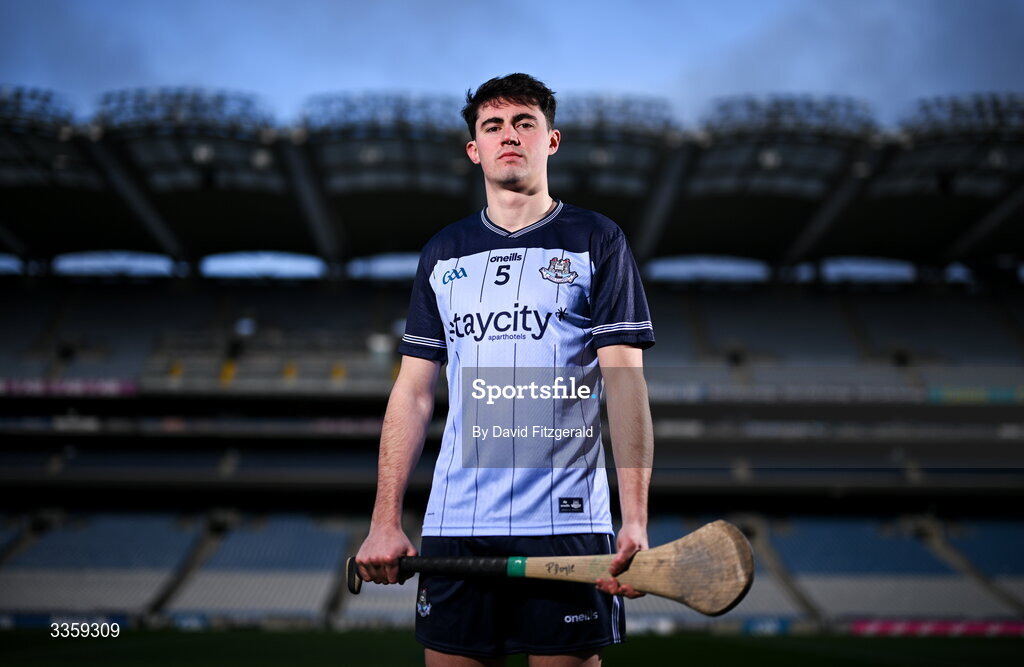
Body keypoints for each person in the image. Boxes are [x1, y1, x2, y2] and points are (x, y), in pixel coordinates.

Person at [355, 73, 655, 667]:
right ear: (475, 149)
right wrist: (384, 520)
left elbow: (624, 381)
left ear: (552, 140)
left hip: (566, 519)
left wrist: (636, 519)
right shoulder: (443, 252)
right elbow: (413, 393)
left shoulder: (598, 239)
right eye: (493, 126)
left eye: (525, 123)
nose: (508, 135)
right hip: (456, 524)